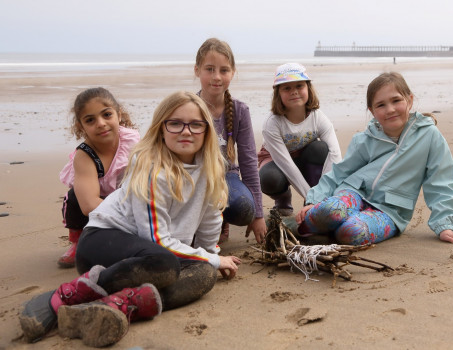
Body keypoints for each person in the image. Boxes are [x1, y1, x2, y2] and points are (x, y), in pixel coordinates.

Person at [20, 91, 241, 347]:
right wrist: (213, 257)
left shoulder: (211, 166)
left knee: (204, 274)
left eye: (195, 124)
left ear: (206, 131)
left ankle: (118, 306)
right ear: (161, 129)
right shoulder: (152, 168)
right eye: (175, 123)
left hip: (149, 253)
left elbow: (211, 217)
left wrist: (210, 253)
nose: (186, 131)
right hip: (102, 241)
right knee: (165, 262)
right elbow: (156, 238)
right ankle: (64, 296)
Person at [296, 72, 453, 246]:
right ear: (372, 111)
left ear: (410, 100)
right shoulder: (365, 138)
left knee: (351, 232)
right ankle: (301, 228)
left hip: (390, 211)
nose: (390, 110)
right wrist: (314, 201)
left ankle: (331, 229)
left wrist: (445, 226)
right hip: (353, 192)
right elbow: (339, 172)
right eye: (380, 105)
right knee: (330, 210)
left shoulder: (429, 136)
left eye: (396, 100)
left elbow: (441, 182)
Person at [57, 87, 140, 268]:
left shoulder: (133, 142)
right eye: (90, 120)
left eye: (107, 115)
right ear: (81, 126)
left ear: (119, 114)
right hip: (96, 206)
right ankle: (78, 240)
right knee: (74, 198)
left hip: (126, 198)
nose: (101, 123)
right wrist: (125, 218)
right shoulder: (85, 155)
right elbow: (88, 205)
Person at [194, 38, 266, 243]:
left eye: (224, 70)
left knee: (245, 208)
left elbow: (249, 162)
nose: (217, 77)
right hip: (193, 177)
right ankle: (207, 222)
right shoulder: (188, 107)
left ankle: (221, 217)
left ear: (233, 72)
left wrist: (259, 214)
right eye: (209, 69)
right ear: (197, 70)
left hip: (226, 176)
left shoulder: (239, 111)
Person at [259, 63, 342, 216]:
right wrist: (311, 197)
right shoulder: (272, 124)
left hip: (305, 158)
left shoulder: (318, 117)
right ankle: (283, 197)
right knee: (269, 178)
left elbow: (335, 154)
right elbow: (286, 164)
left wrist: (323, 194)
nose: (294, 92)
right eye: (287, 88)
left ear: (308, 88)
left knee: (321, 149)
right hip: (277, 161)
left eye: (299, 86)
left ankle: (313, 199)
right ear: (278, 93)